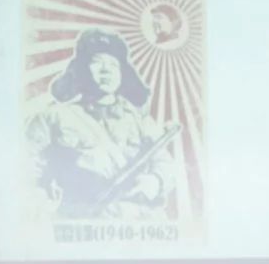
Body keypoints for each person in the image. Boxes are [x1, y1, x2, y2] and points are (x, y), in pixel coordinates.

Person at [27, 29, 177, 219]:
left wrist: (155, 181)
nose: (106, 70)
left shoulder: (140, 121)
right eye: (97, 62)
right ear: (81, 70)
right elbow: (26, 166)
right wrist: (40, 199)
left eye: (113, 65)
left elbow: (164, 162)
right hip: (82, 221)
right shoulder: (53, 117)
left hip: (139, 221)